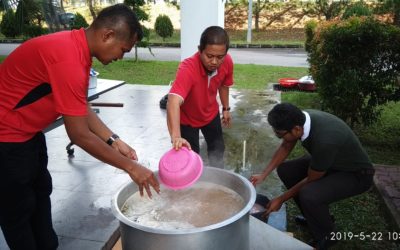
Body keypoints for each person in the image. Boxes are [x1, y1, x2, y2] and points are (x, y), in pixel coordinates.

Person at [0, 4, 160, 250]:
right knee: (17, 211)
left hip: (28, 134)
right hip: (6, 139)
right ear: (107, 35)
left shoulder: (77, 47)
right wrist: (131, 167)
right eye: (123, 50)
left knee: (41, 194)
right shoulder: (69, 58)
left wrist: (113, 140)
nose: (121, 57)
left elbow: (79, 106)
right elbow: (78, 134)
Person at [250, 103, 374, 249]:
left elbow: (311, 179)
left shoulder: (325, 141)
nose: (278, 136)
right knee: (286, 170)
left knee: (309, 194)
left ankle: (327, 236)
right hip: (332, 162)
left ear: (296, 129)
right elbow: (286, 146)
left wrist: (281, 199)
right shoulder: (300, 119)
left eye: (280, 134)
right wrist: (263, 174)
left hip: (356, 174)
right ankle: (314, 218)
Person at [167, 26, 233, 168]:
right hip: (187, 120)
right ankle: (194, 185)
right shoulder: (188, 68)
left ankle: (217, 179)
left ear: (225, 54)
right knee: (191, 157)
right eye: (209, 56)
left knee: (218, 150)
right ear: (200, 50)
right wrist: (176, 136)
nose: (215, 62)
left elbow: (223, 85)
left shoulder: (227, 62)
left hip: (210, 114)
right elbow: (173, 101)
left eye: (220, 57)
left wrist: (226, 108)